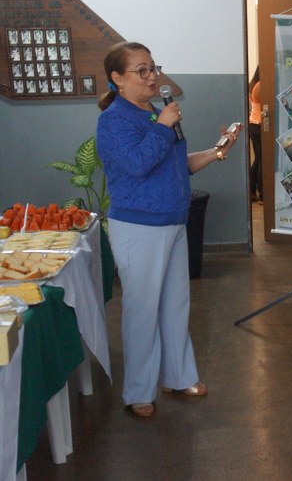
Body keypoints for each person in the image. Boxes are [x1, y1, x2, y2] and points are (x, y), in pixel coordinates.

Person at [96, 41, 241, 418]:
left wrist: (218, 150)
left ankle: (178, 376)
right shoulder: (114, 120)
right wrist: (163, 127)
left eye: (153, 68)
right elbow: (136, 164)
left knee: (176, 305)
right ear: (118, 79)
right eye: (141, 70)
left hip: (174, 221)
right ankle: (139, 392)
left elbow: (179, 165)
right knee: (142, 310)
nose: (151, 76)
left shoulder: (157, 112)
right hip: (138, 227)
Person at [248, 68, 263, 202]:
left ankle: (252, 191)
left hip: (254, 124)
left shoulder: (253, 84)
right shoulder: (260, 86)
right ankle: (262, 194)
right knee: (262, 160)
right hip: (259, 125)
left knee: (258, 159)